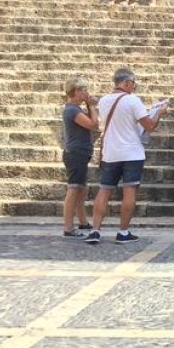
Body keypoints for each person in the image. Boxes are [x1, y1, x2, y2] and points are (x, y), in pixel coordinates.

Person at [84, 68, 168, 244]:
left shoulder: (105, 101)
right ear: (127, 82)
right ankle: (123, 232)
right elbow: (150, 125)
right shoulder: (132, 100)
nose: (134, 87)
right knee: (129, 191)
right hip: (131, 152)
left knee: (104, 190)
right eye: (133, 83)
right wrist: (159, 112)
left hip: (110, 152)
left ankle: (95, 230)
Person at [61, 78, 98, 237]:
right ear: (75, 91)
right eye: (83, 90)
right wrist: (91, 106)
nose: (86, 93)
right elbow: (93, 125)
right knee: (74, 189)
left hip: (81, 153)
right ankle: (68, 227)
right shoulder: (72, 110)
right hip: (76, 154)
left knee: (81, 189)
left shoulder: (75, 109)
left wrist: (90, 107)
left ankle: (82, 222)